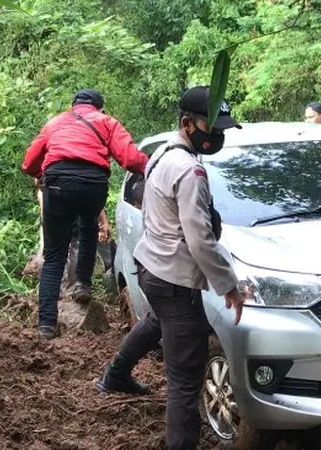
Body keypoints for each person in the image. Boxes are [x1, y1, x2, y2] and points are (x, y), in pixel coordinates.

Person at [95, 86, 251, 450]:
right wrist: (228, 284)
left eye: (222, 128)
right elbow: (199, 238)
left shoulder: (162, 153)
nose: (218, 136)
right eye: (211, 128)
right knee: (184, 379)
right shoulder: (189, 171)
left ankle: (115, 375)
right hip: (175, 278)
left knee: (154, 321)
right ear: (187, 123)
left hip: (152, 268)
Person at [21, 89, 148, 340]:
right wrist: (155, 166)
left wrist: (40, 173)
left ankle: (46, 324)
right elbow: (131, 159)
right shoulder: (107, 122)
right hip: (93, 184)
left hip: (57, 185)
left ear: (72, 106)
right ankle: (82, 285)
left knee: (55, 254)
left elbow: (29, 164)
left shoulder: (55, 122)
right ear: (100, 108)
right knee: (89, 227)